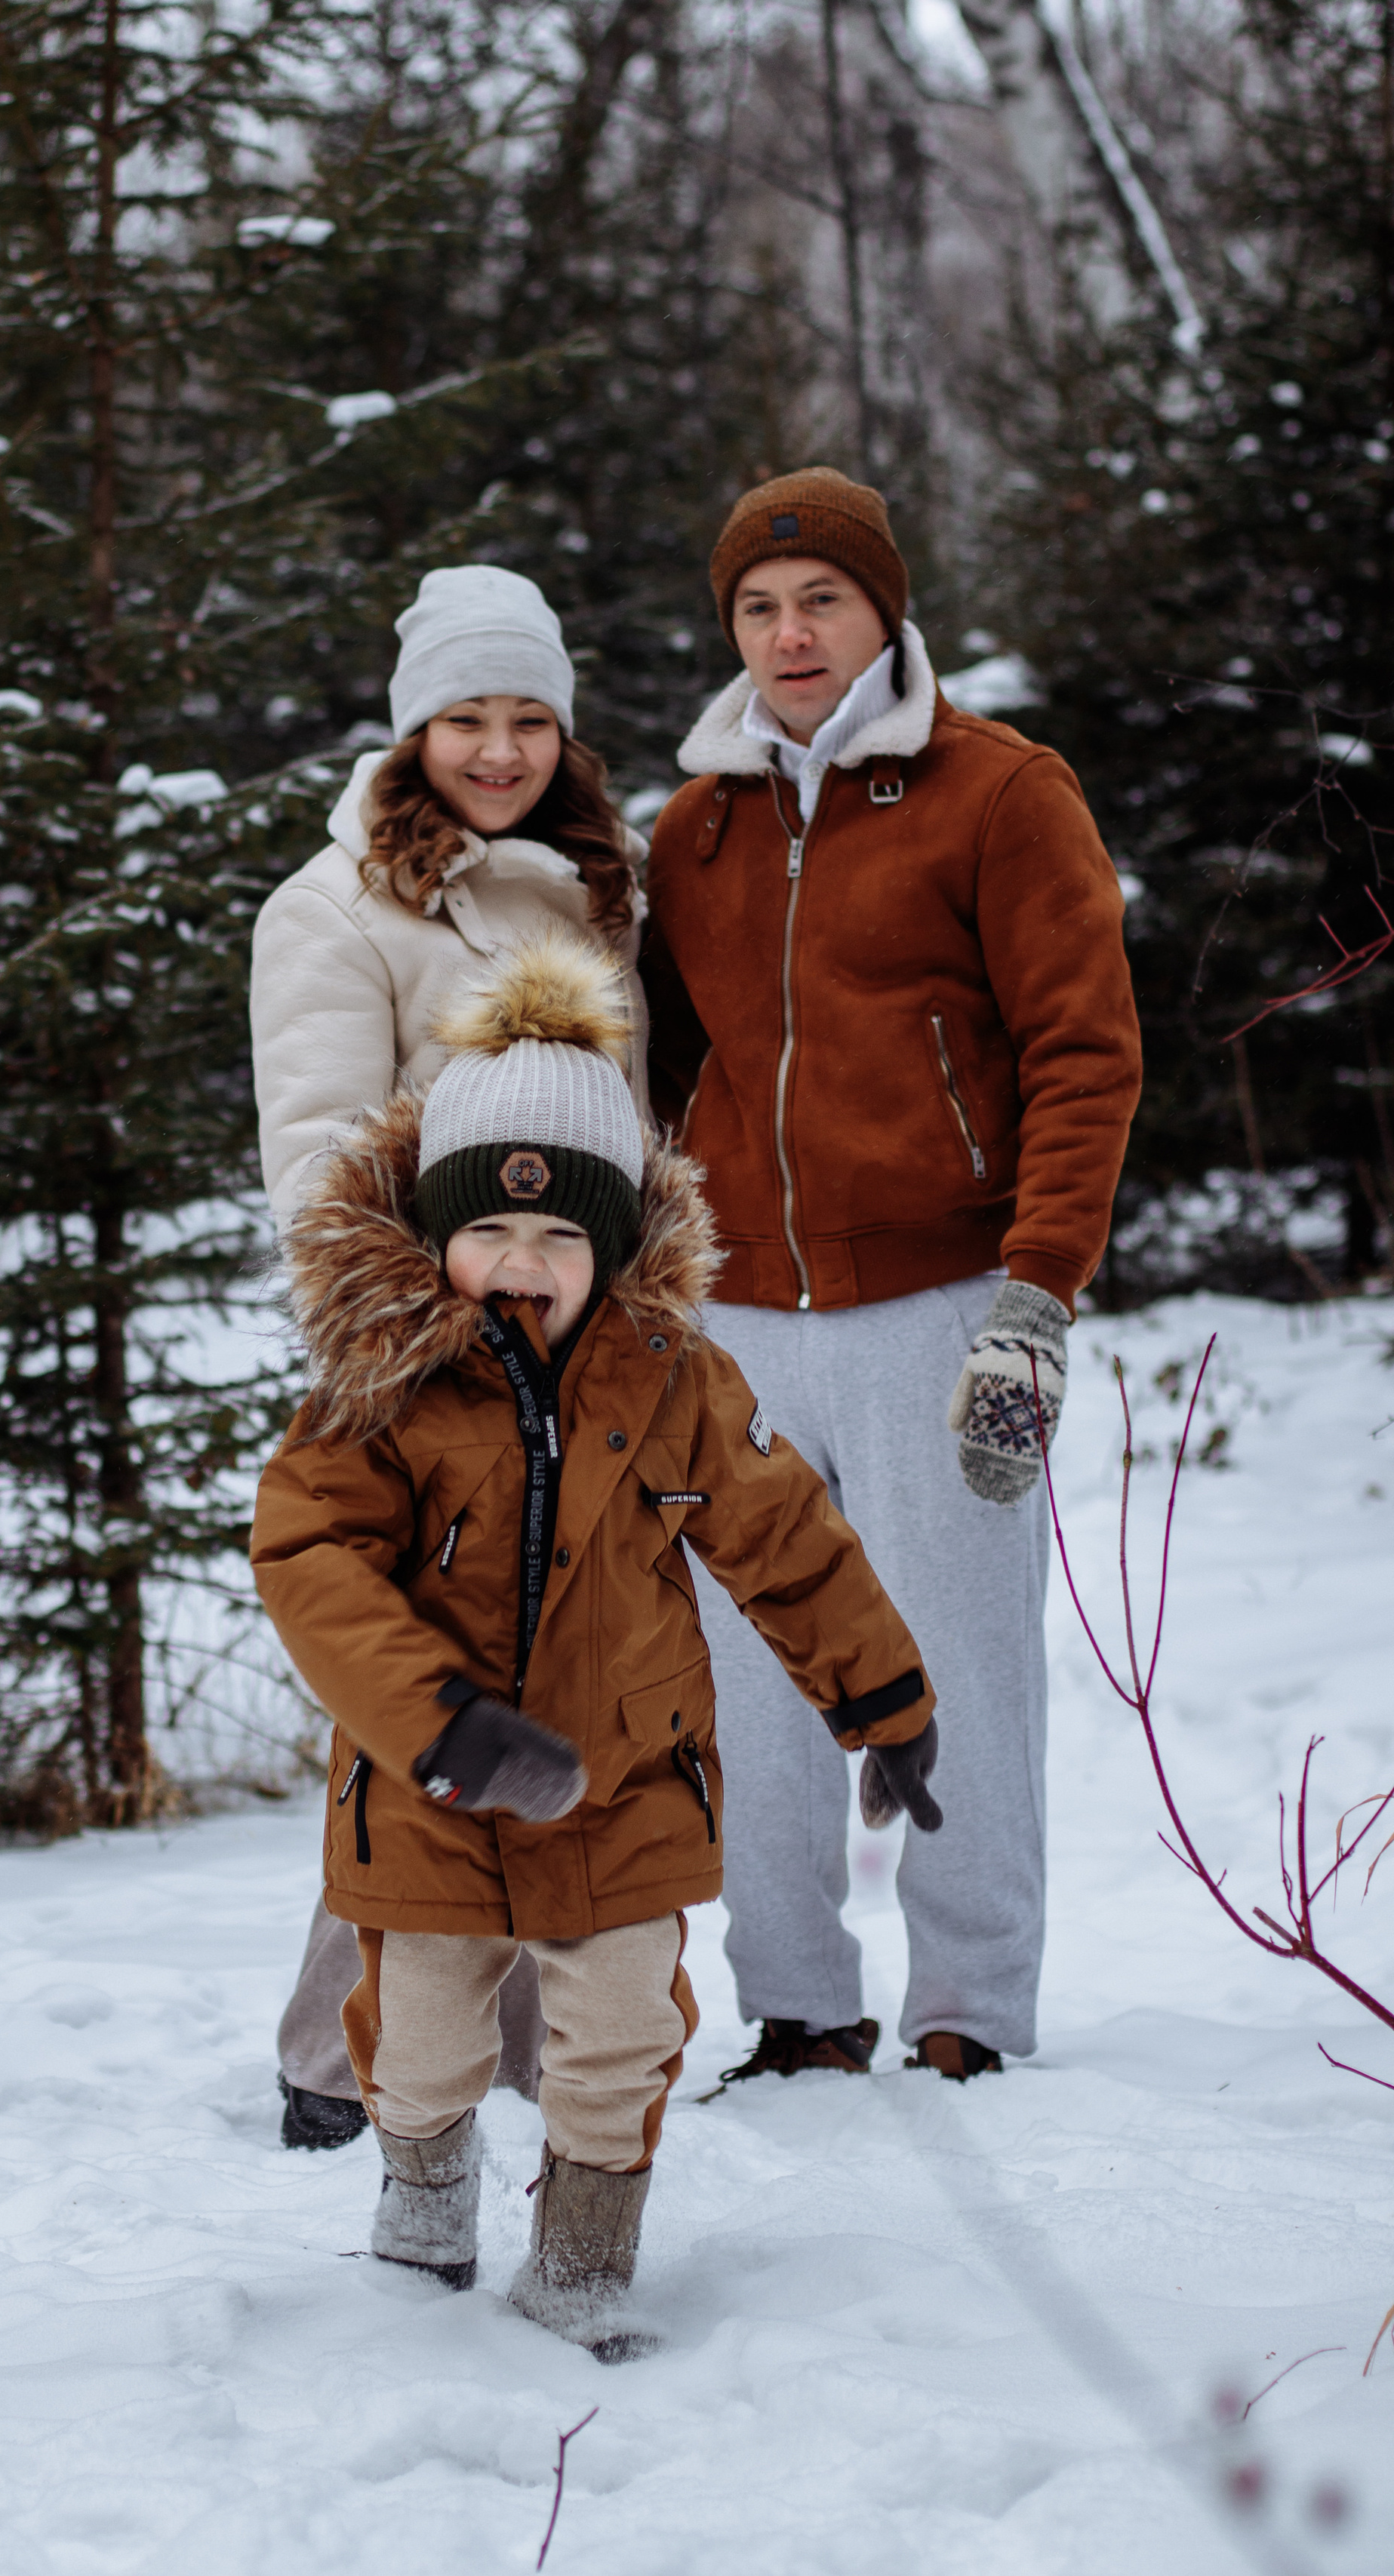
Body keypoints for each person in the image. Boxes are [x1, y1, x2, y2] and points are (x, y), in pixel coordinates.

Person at [250, 937, 940, 2357]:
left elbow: (785, 1535)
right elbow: (310, 1561)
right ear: (435, 1230)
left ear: (615, 1245)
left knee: (623, 2037)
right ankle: (425, 2204)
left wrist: (881, 1694)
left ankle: (580, 2269)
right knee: (423, 2047)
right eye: (493, 1229)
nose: (526, 1263)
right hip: (434, 1790)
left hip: (622, 1782)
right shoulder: (380, 1388)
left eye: (564, 1235)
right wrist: (435, 1717)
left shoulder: (675, 1377)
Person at [642, 466, 1141, 2082]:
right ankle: (795, 2005)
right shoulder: (692, 828)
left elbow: (1082, 1053)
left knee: (959, 1664)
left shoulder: (998, 792)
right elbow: (656, 1073)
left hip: (939, 1310)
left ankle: (968, 2010)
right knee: (752, 1673)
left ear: (883, 610)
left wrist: (1034, 1296)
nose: (790, 636)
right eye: (758, 608)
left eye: (822, 602)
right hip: (737, 1322)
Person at [250, 564, 648, 2149]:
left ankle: (530, 2049)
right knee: (422, 1702)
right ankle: (334, 2060)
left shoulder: (598, 886)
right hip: (428, 1367)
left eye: (529, 717)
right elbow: (319, 1172)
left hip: (593, 1356)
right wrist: (432, 1349)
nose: (498, 750)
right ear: (414, 729)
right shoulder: (337, 909)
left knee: (569, 1697)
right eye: (466, 718)